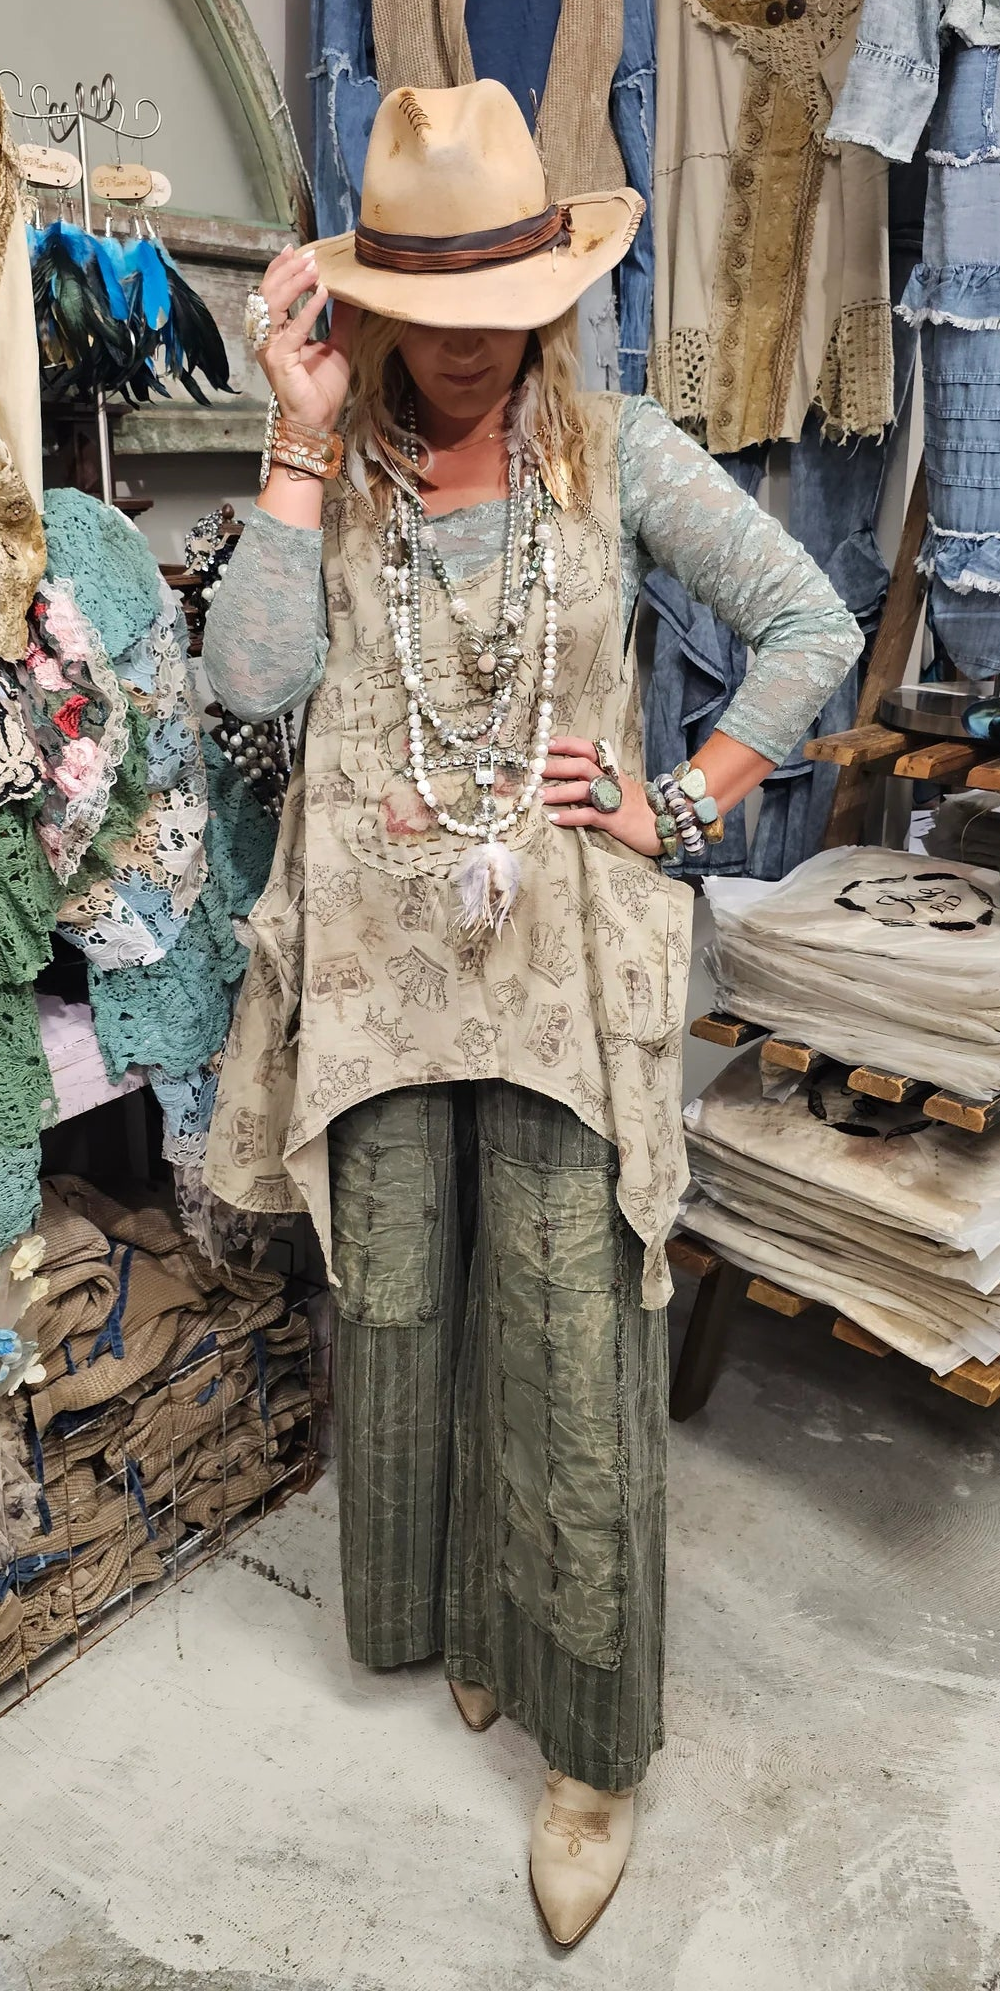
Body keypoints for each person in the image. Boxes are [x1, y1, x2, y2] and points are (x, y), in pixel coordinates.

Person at [202, 79, 863, 1949]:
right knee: (404, 1306)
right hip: (379, 976)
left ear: (550, 300)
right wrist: (293, 444)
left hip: (564, 970)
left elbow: (810, 627)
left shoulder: (616, 449)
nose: (468, 350)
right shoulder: (341, 457)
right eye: (431, 314)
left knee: (573, 1338)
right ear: (374, 306)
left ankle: (592, 1746)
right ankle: (456, 1625)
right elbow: (248, 682)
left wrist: (681, 801)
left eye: (499, 313)